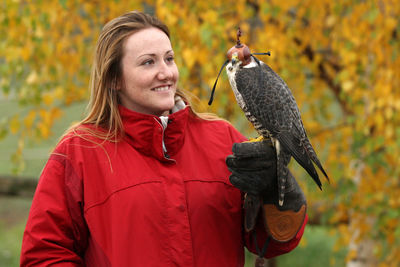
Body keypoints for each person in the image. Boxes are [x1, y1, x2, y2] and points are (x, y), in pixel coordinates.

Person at [20, 11, 307, 267]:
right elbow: (44, 255)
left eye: (169, 58)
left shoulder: (223, 139)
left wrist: (278, 193)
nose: (166, 73)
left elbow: (272, 243)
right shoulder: (80, 152)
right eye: (148, 62)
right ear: (114, 79)